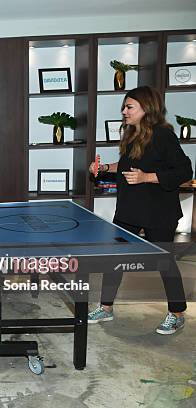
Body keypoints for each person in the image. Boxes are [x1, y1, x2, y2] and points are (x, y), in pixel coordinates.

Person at [87, 86, 193, 335]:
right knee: (114, 260)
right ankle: (106, 307)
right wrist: (103, 169)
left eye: (129, 106)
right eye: (124, 107)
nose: (124, 111)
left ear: (147, 108)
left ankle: (177, 313)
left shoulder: (163, 135)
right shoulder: (132, 133)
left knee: (164, 262)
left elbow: (184, 172)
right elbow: (127, 167)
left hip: (158, 210)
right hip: (129, 209)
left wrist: (147, 177)